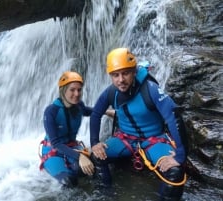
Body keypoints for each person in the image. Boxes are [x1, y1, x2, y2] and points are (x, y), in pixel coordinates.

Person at [89, 48, 187, 200]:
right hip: (125, 139)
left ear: (134, 71)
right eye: (115, 75)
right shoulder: (110, 92)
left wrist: (180, 155)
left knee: (175, 172)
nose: (120, 80)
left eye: (125, 73)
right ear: (110, 76)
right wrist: (95, 143)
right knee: (96, 156)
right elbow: (95, 114)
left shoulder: (151, 89)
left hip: (154, 140)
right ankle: (106, 195)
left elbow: (174, 117)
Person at [39, 71, 112, 187]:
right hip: (53, 150)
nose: (77, 94)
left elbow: (87, 111)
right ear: (63, 91)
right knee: (69, 182)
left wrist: (107, 111)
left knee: (95, 168)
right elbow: (56, 143)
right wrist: (80, 157)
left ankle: (108, 194)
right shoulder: (51, 111)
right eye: (72, 90)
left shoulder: (79, 106)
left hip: (72, 146)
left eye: (79, 90)